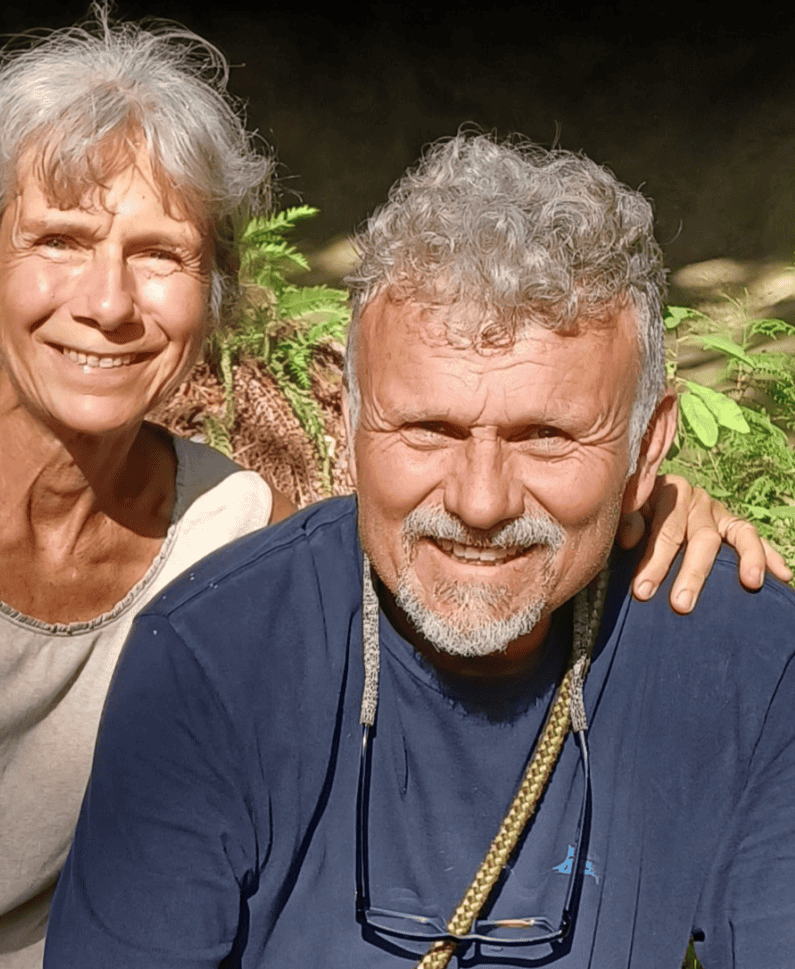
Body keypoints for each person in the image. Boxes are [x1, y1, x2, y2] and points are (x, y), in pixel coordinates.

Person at [0, 11, 779, 969]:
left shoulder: (229, 522)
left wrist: (645, 501)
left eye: (158, 255)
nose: (107, 301)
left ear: (212, 296)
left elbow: (443, 531)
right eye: (60, 241)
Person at [46, 132, 795, 969]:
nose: (481, 502)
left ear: (646, 446)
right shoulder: (213, 657)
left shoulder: (750, 663)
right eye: (428, 430)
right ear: (352, 421)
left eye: (545, 437)